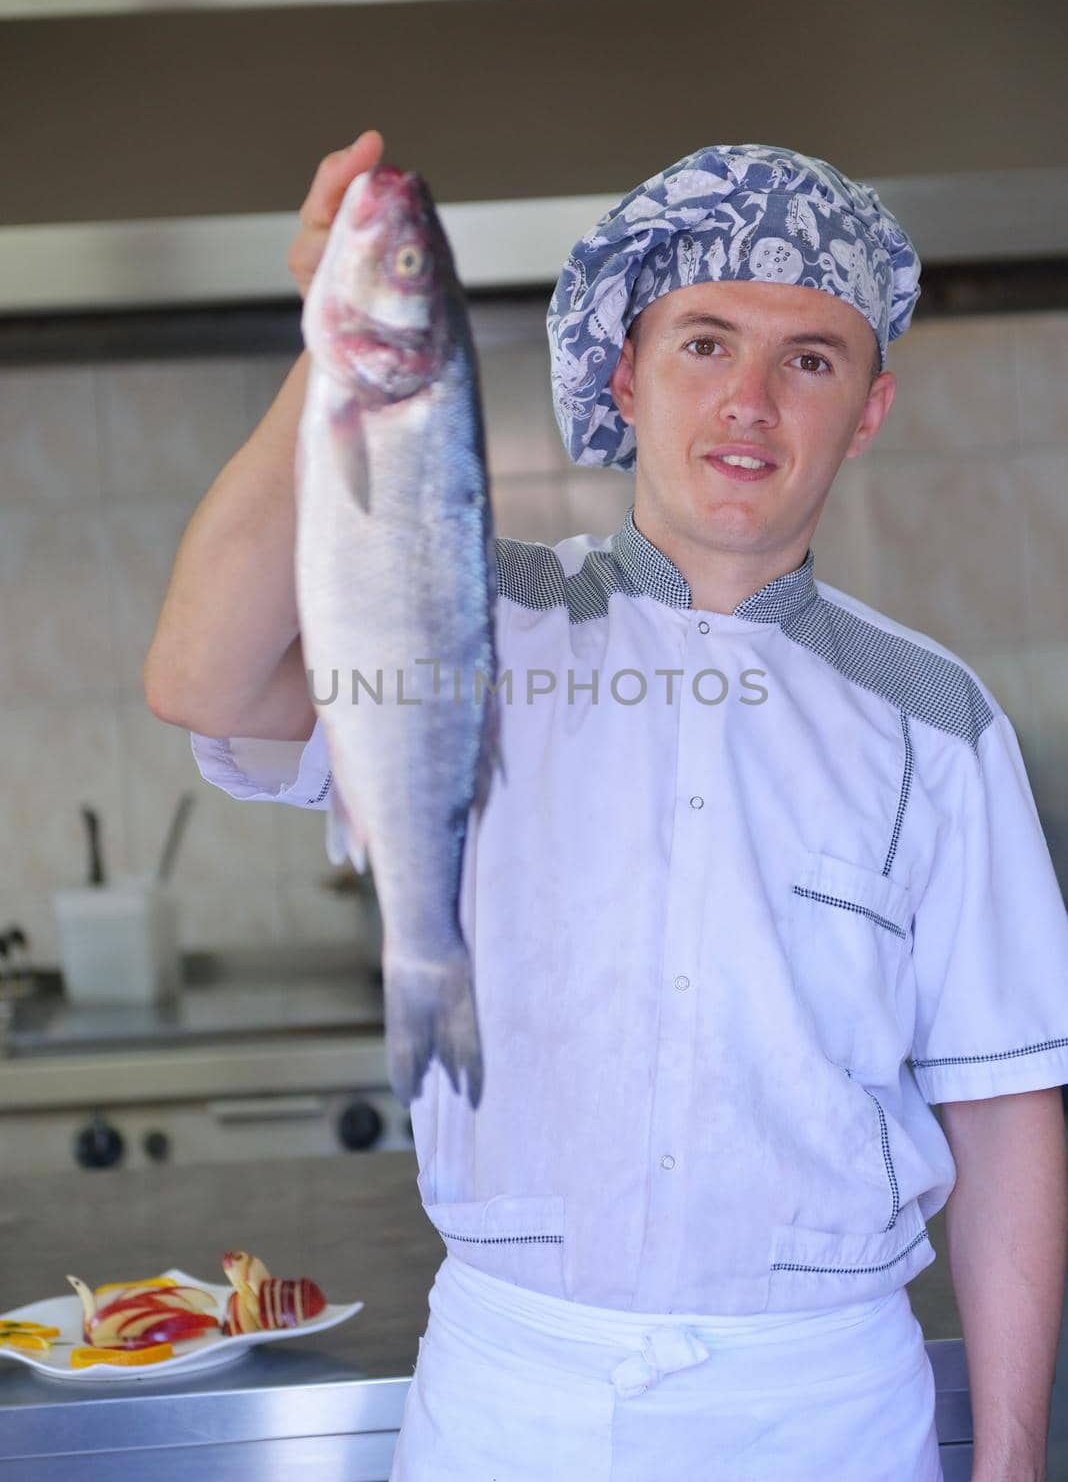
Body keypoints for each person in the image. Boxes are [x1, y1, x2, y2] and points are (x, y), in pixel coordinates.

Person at [145, 131, 1068, 1482]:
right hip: (513, 1397)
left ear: (868, 408)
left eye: (808, 359)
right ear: (627, 375)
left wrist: (1011, 1459)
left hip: (823, 1408)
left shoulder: (938, 722)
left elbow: (1002, 1111)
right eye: (704, 343)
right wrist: (338, 340)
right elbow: (200, 680)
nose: (749, 399)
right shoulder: (460, 615)